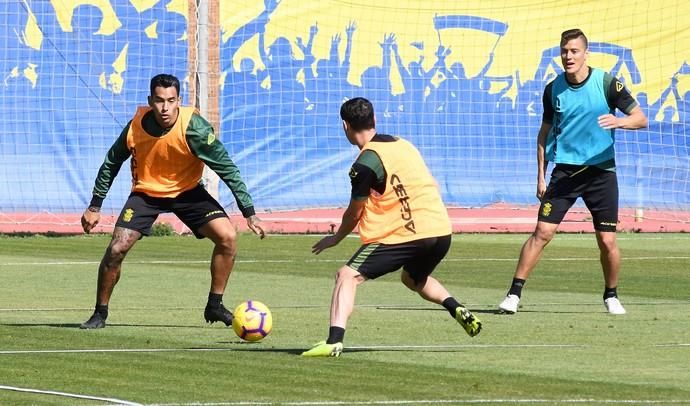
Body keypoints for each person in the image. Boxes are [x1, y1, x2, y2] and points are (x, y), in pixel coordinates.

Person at [80, 73, 265, 329]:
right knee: (116, 249)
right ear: (150, 100)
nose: (165, 107)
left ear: (179, 100)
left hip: (187, 192)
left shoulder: (195, 128)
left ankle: (214, 304)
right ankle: (99, 313)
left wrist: (249, 212)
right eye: (159, 101)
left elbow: (227, 168)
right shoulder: (136, 126)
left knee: (228, 237)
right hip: (146, 194)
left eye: (171, 100)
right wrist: (94, 206)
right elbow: (112, 162)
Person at [302, 97, 482, 357]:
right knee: (412, 279)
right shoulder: (403, 144)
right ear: (374, 120)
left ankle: (333, 341)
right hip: (441, 230)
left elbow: (354, 213)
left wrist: (336, 238)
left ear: (345, 126)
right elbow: (431, 183)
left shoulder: (364, 165)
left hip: (406, 234)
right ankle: (456, 308)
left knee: (346, 276)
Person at [497, 29, 648, 316]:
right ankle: (513, 294)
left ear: (585, 53)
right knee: (542, 232)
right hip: (565, 173)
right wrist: (540, 175)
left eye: (574, 51)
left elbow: (641, 118)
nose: (569, 56)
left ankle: (611, 295)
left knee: (607, 241)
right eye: (564, 51)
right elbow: (543, 135)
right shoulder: (553, 89)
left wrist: (619, 122)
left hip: (601, 173)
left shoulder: (607, 84)